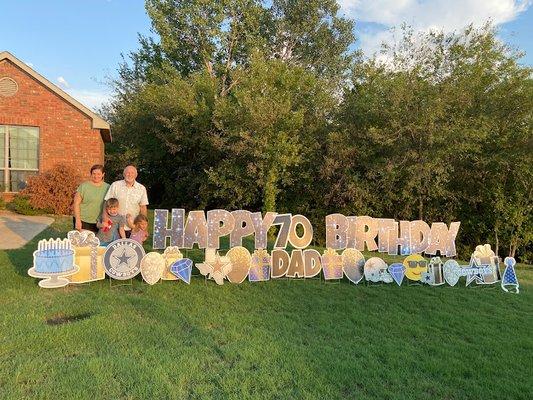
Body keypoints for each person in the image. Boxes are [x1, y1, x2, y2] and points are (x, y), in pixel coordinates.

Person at [104, 165, 149, 238]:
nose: (130, 174)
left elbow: (143, 207)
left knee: (132, 248)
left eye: (132, 173)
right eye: (127, 172)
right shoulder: (115, 185)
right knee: (115, 247)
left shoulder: (141, 188)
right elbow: (106, 203)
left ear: (136, 175)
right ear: (124, 174)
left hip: (133, 226)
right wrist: (105, 218)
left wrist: (144, 228)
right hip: (115, 225)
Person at [73, 164, 110, 233]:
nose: (96, 176)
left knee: (97, 243)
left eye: (99, 174)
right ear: (91, 174)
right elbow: (76, 204)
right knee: (83, 243)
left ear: (103, 174)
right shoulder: (84, 186)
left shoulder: (108, 187)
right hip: (83, 220)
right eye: (94, 174)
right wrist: (78, 221)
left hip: (99, 222)